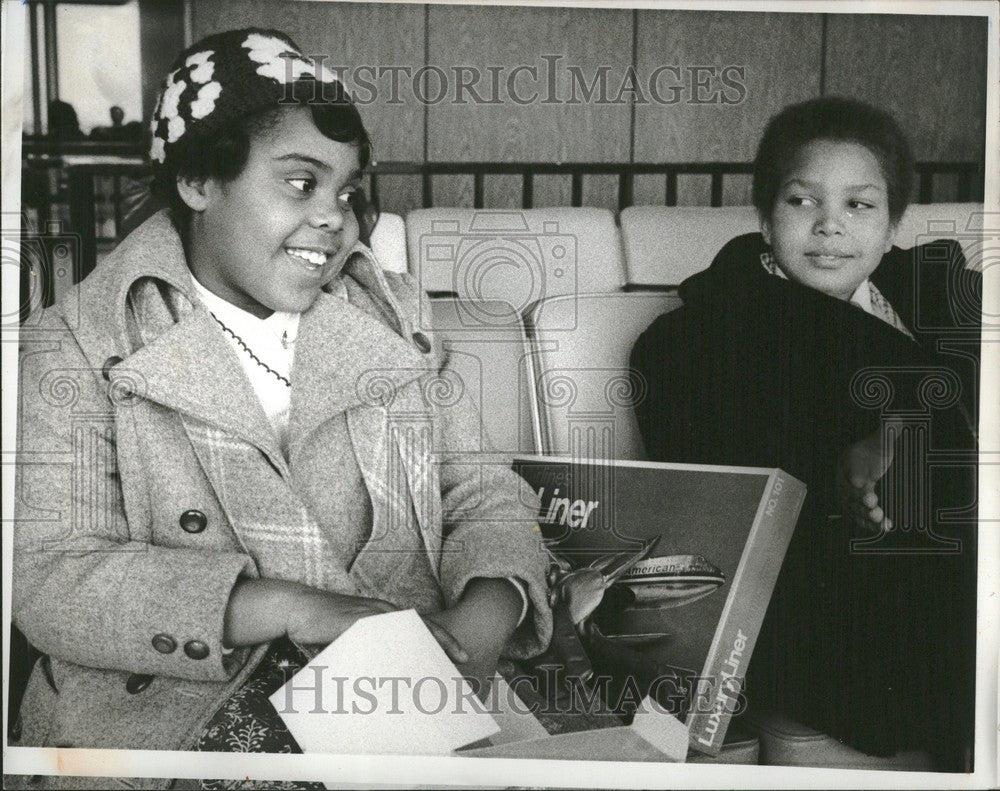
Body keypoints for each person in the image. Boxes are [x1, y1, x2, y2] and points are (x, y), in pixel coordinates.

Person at [13, 29, 552, 787]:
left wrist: (486, 614)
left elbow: (484, 488)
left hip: (415, 693)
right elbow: (52, 579)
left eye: (349, 192)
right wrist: (298, 608)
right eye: (301, 182)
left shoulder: (396, 315)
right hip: (172, 718)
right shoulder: (75, 343)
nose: (337, 219)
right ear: (199, 181)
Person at [630, 97, 979, 771]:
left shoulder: (943, 303)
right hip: (831, 601)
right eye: (801, 201)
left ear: (891, 224)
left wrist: (911, 426)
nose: (829, 228)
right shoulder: (696, 341)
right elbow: (723, 497)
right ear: (765, 214)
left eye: (859, 206)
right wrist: (840, 468)